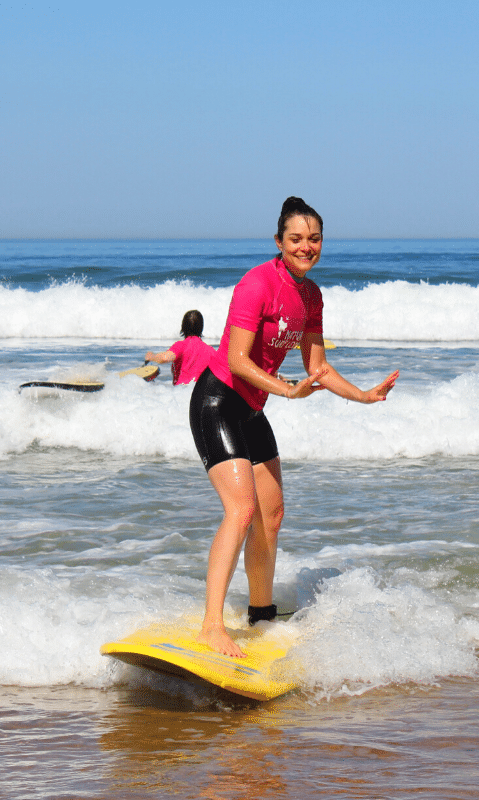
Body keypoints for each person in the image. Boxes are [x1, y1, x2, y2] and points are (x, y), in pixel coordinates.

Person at [189, 196, 400, 657]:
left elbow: (318, 367)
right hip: (218, 401)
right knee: (241, 510)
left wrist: (364, 395)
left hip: (252, 409)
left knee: (273, 514)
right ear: (279, 242)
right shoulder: (256, 284)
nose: (307, 247)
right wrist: (287, 391)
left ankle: (261, 614)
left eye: (315, 239)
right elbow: (236, 361)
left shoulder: (311, 296)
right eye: (297, 239)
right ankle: (211, 626)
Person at [145, 309, 214, 385]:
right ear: (201, 328)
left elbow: (165, 358)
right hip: (200, 393)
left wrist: (152, 356)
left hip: (181, 391)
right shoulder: (210, 350)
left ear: (183, 327)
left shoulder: (181, 346)